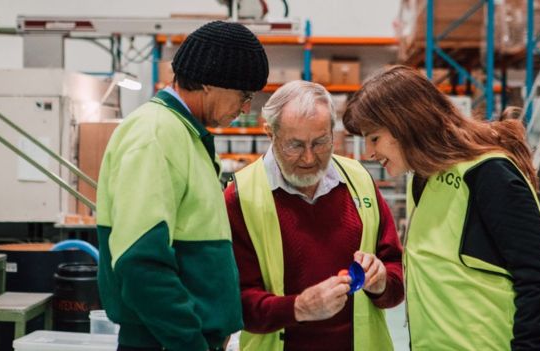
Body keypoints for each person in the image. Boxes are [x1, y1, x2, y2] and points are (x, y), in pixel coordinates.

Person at [342, 65, 540, 351]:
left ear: (406, 124)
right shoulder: (425, 178)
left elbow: (538, 279)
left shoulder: (488, 174)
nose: (369, 153)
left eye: (374, 138)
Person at [96, 21, 269, 351]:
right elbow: (140, 262)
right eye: (244, 96)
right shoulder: (156, 136)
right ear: (209, 84)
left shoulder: (183, 134)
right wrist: (189, 341)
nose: (246, 108)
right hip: (164, 342)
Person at [224, 80, 404, 351]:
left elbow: (395, 276)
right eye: (294, 145)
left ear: (333, 133)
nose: (309, 159)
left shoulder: (359, 180)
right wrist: (298, 308)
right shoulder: (241, 196)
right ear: (270, 134)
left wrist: (380, 284)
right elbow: (235, 304)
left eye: (320, 143)